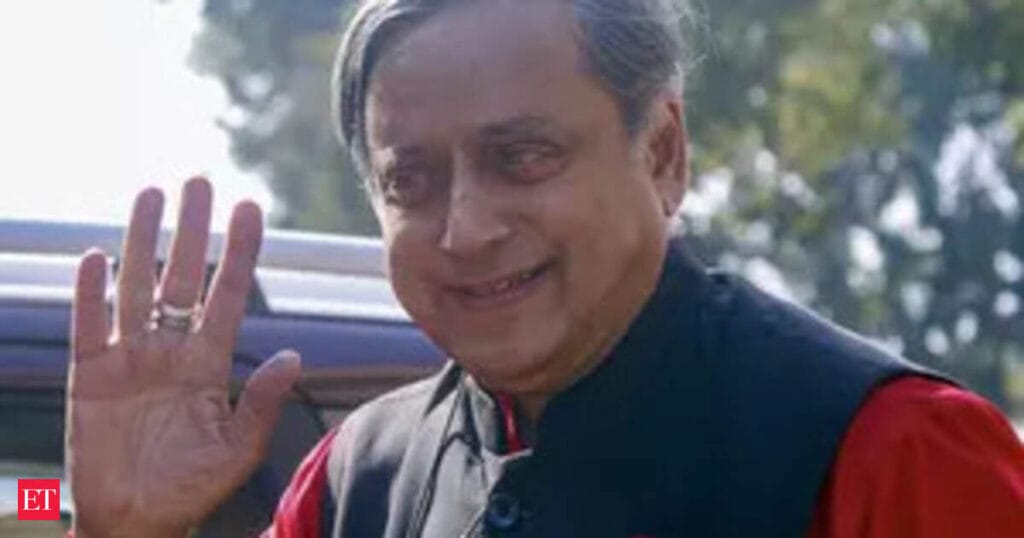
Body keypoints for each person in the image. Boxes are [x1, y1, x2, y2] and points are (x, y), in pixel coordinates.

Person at [65, 0, 1024, 537]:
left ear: (662, 153)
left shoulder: (890, 454)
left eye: (523, 157)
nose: (465, 228)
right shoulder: (357, 484)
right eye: (411, 180)